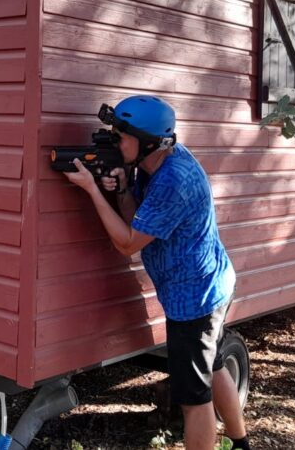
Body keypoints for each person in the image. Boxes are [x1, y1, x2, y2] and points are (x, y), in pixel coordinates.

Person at [64, 94, 251, 450]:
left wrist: (92, 191)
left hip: (194, 300)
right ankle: (241, 444)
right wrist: (120, 191)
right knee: (211, 366)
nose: (116, 143)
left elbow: (128, 243)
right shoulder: (153, 166)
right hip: (210, 283)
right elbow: (137, 215)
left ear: (148, 142)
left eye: (121, 136)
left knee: (194, 400)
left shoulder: (173, 181)